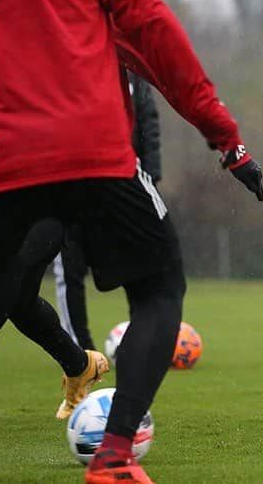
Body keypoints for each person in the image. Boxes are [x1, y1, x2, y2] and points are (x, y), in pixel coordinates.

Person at [0, 0, 263, 484]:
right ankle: (114, 455)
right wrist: (223, 135)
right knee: (160, 290)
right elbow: (149, 28)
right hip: (95, 155)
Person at [52, 72, 162, 352]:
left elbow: (149, 125)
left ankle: (142, 338)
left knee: (138, 265)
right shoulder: (70, 65)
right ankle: (79, 350)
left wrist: (150, 177)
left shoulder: (135, 76)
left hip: (125, 185)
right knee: (70, 268)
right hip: (71, 185)